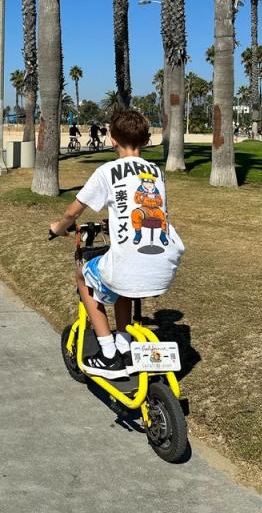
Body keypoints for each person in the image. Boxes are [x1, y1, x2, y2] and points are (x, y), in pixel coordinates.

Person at [49, 110, 184, 380]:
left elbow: (73, 212)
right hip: (164, 263)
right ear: (146, 140)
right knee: (123, 281)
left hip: (130, 262)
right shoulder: (155, 171)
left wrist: (57, 228)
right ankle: (124, 343)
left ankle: (108, 352)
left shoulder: (106, 171)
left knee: (83, 274)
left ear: (112, 140)